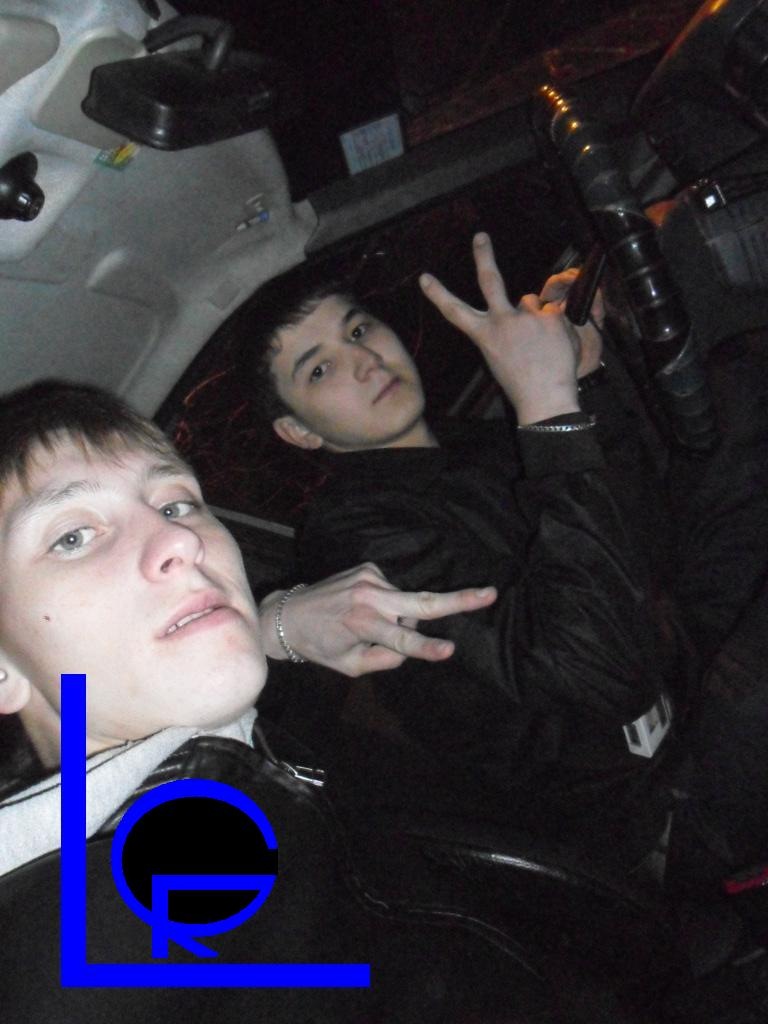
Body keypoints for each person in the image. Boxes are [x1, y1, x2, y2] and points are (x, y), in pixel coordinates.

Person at [0, 378, 557, 1024]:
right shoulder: (91, 974)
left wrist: (274, 628)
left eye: (177, 504)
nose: (181, 541)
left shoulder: (222, 777)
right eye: (73, 537)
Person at [243, 231, 676, 866]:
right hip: (629, 826)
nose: (364, 361)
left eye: (358, 331)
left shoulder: (469, 444)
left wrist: (583, 378)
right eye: (320, 369)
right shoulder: (354, 537)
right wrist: (548, 407)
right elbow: (592, 675)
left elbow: (645, 537)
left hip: (680, 719)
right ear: (298, 431)